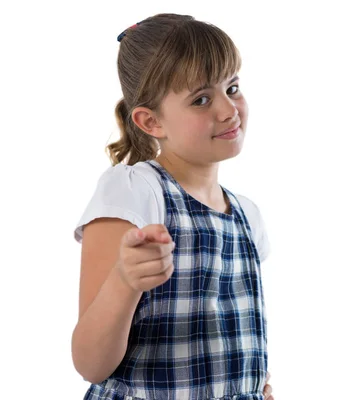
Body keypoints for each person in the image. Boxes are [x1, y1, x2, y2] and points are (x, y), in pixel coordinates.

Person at [71, 13, 274, 400]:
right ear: (151, 121)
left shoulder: (247, 216)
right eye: (201, 99)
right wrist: (124, 281)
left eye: (232, 88)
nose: (228, 110)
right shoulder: (134, 191)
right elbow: (90, 363)